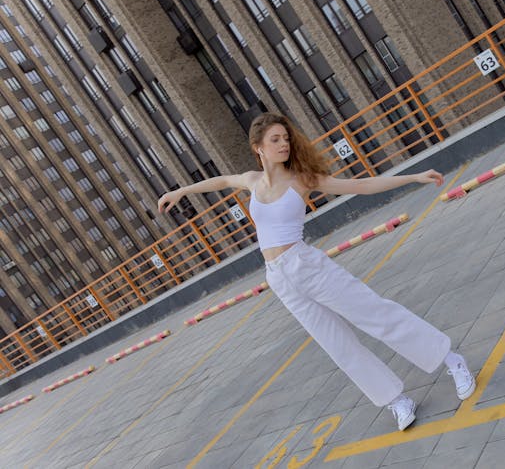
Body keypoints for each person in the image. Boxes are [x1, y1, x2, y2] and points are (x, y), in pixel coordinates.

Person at [158, 113, 475, 431]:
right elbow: (223, 181)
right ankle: (396, 400)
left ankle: (451, 360)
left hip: (306, 265)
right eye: (275, 140)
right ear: (259, 148)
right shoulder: (252, 181)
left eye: (285, 138)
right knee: (336, 344)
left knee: (375, 314)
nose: (284, 144)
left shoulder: (301, 179)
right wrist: (181, 191)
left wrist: (412, 177)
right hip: (279, 278)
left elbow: (360, 185)